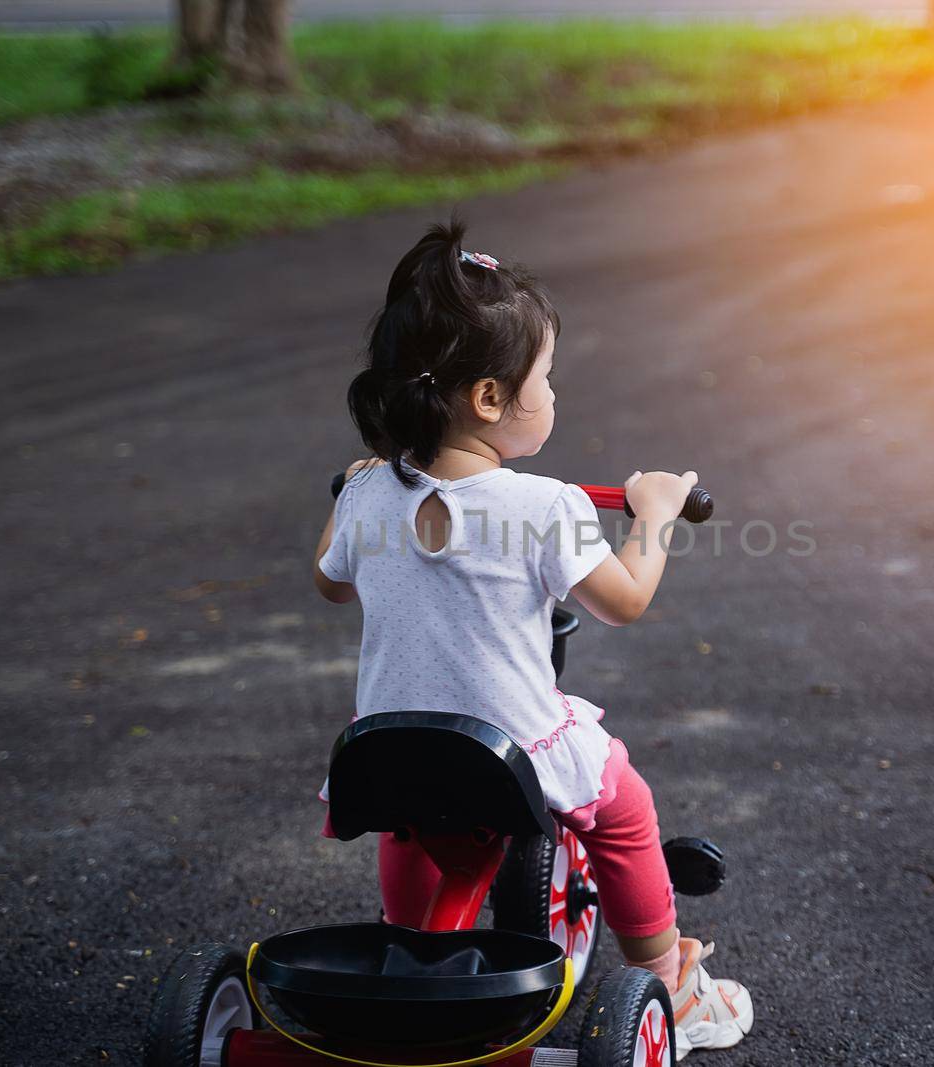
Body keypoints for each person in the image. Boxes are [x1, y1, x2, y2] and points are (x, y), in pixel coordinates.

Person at [312, 216, 752, 1058]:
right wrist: (653, 515)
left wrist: (352, 492)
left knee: (411, 819)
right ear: (489, 399)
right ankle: (668, 976)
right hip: (504, 756)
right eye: (546, 378)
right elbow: (622, 601)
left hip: (380, 750)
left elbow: (330, 581)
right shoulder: (544, 504)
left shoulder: (368, 496)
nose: (554, 393)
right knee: (622, 806)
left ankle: (407, 947)